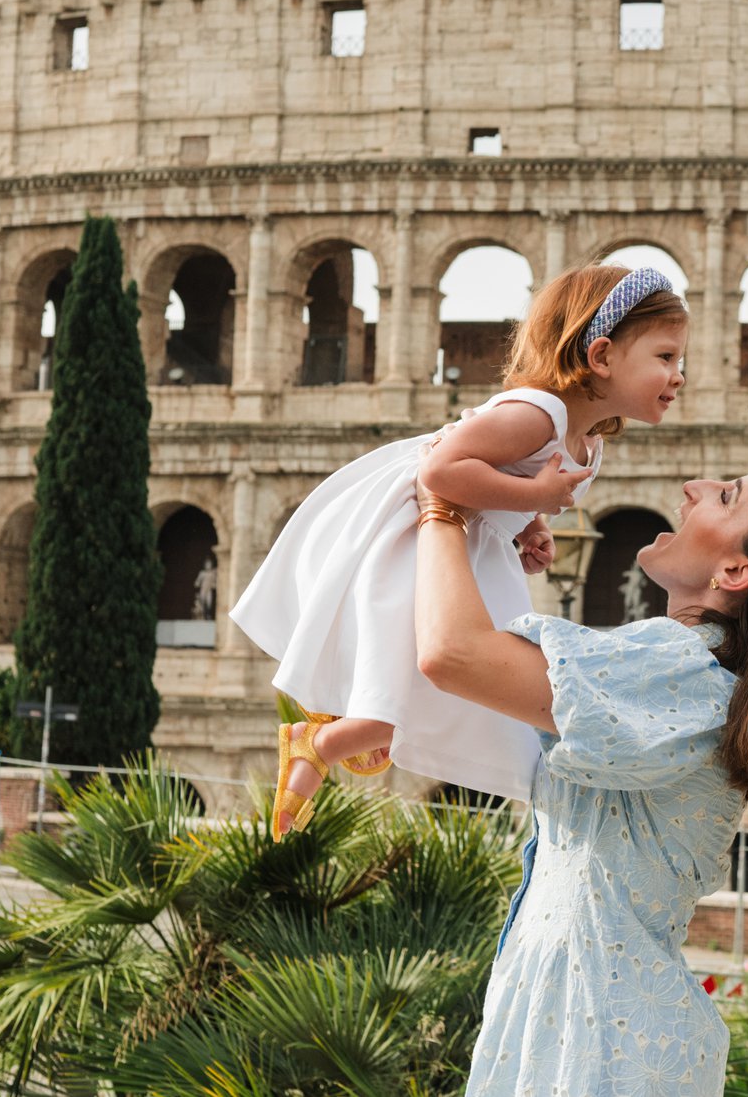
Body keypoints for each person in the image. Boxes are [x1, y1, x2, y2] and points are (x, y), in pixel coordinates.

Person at [413, 463, 748, 1095]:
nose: (692, 487)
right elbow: (473, 673)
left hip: (604, 1039)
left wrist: (444, 505)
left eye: (725, 496)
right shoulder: (675, 676)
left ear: (736, 572)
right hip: (601, 1024)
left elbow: (454, 654)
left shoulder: (680, 671)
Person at [232, 264, 686, 837]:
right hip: (418, 535)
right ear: (600, 356)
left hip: (470, 547)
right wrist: (534, 495)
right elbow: (442, 468)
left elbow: (502, 480)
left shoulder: (587, 440)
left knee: (470, 692)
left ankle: (334, 733)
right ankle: (323, 739)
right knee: (435, 680)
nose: (680, 375)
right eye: (666, 357)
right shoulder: (536, 414)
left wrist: (529, 523)